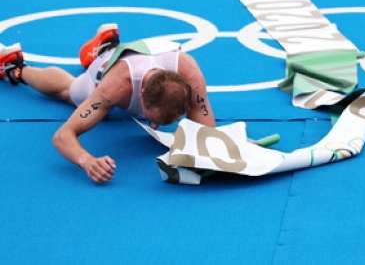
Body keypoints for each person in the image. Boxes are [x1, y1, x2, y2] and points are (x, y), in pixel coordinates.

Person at [0, 23, 215, 184]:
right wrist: (87, 161)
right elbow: (62, 136)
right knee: (69, 91)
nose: (155, 127)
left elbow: (207, 134)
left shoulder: (189, 73)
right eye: (153, 120)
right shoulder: (113, 88)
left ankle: (105, 46)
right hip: (108, 69)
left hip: (137, 52)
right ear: (141, 96)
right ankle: (15, 66)